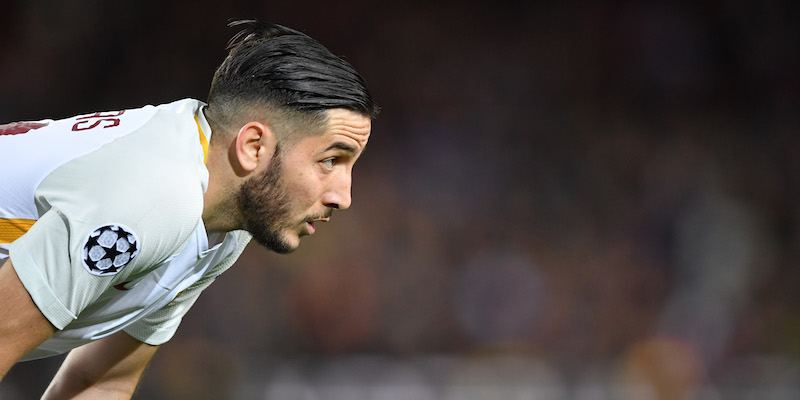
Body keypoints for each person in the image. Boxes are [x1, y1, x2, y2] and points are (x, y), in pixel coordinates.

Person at [0, 19, 378, 397]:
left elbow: (99, 382)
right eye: (330, 160)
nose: (342, 196)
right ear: (253, 147)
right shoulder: (154, 196)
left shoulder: (220, 223)